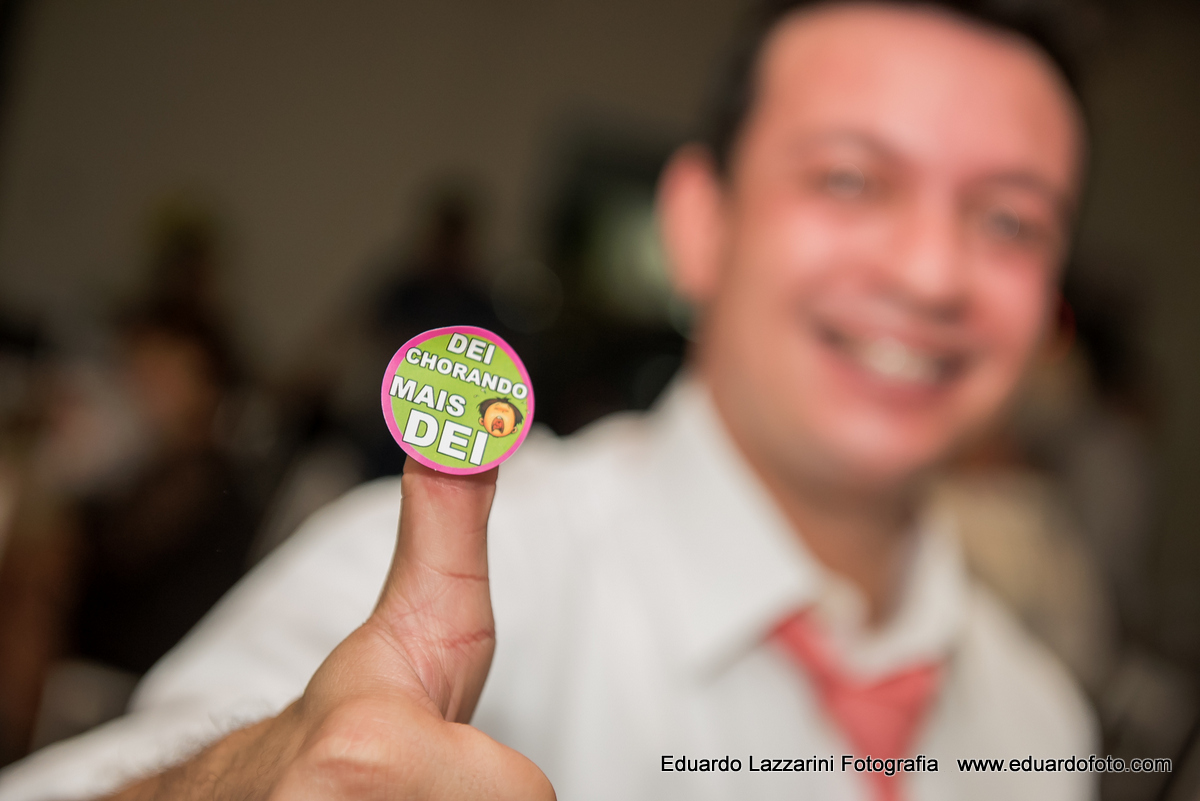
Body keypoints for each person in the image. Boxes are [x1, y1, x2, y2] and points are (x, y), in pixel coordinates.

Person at [0, 1, 1096, 799]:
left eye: (1009, 220)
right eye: (852, 179)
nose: (931, 274)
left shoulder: (1044, 725)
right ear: (698, 223)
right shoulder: (478, 584)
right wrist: (247, 784)